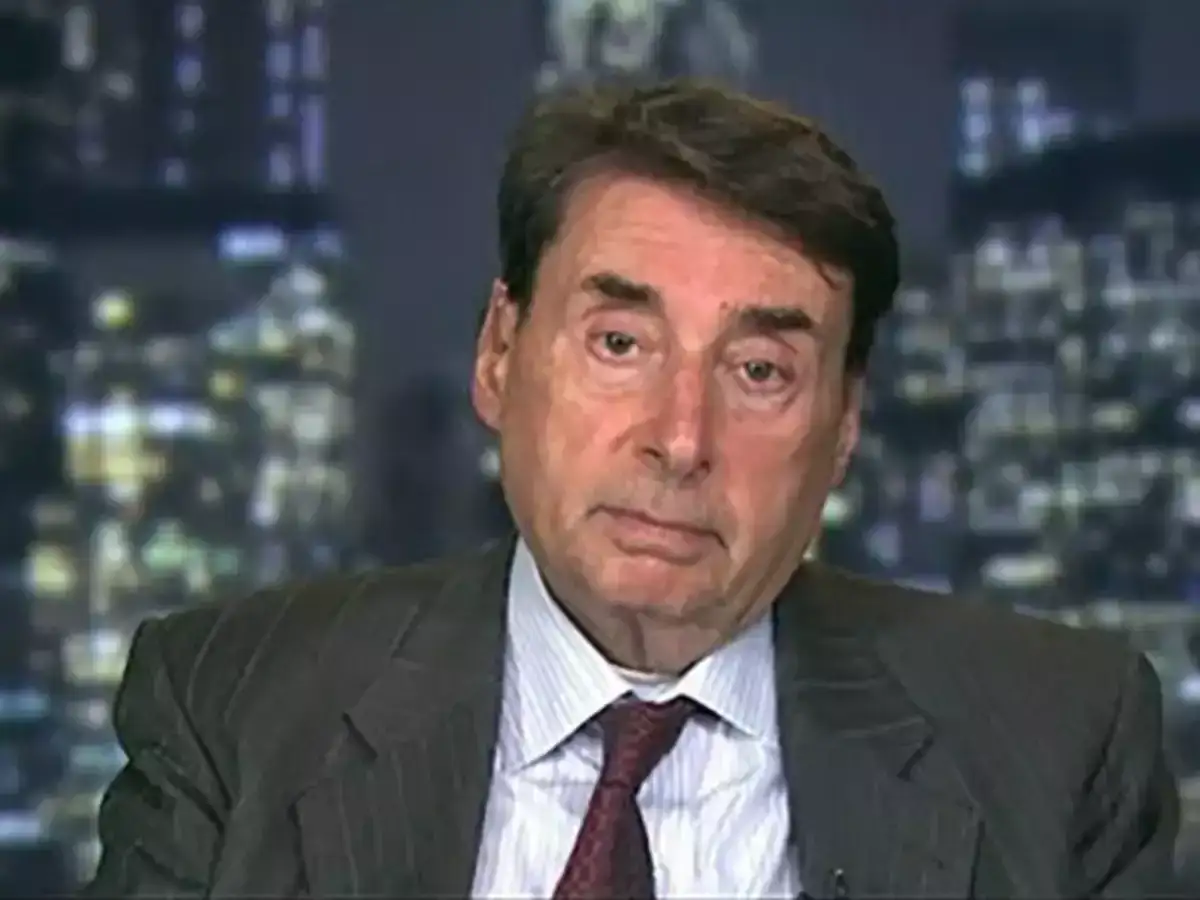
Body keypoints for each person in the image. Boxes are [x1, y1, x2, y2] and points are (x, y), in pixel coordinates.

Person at [82, 79, 1179, 899]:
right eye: (620, 342)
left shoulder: (1059, 742)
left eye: (760, 372)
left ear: (843, 424)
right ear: (500, 353)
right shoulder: (232, 708)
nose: (680, 438)